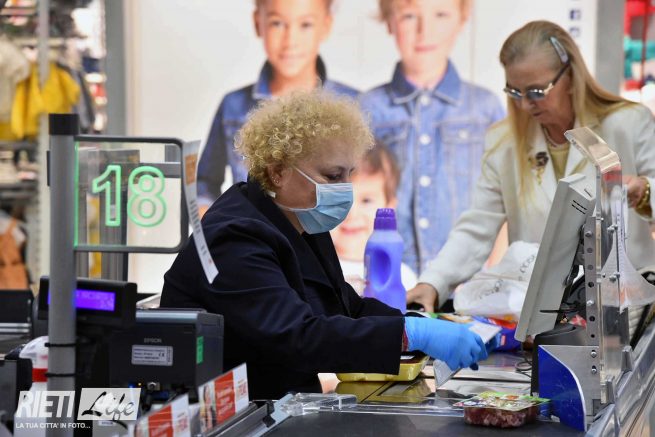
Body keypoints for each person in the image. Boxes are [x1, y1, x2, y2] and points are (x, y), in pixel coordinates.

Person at [160, 90, 487, 399]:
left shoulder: (300, 220)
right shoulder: (234, 237)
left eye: (348, 175)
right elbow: (296, 336)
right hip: (234, 414)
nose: (344, 189)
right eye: (332, 176)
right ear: (277, 172)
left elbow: (345, 308)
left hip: (281, 403)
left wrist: (422, 326)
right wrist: (411, 335)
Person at [407, 20, 655, 313]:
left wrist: (644, 191)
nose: (525, 105)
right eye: (514, 92)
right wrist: (433, 282)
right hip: (544, 316)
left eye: (537, 92)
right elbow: (477, 227)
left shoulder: (630, 123)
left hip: (630, 310)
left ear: (570, 76)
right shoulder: (503, 142)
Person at [360, 0, 505, 275]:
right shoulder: (366, 109)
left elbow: (505, 201)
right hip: (392, 278)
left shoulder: (485, 109)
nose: (425, 31)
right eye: (409, 16)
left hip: (466, 281)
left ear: (462, 18)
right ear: (389, 21)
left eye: (440, 14)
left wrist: (489, 276)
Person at [196, 0, 358, 216]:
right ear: (258, 23)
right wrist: (213, 221)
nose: (290, 40)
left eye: (305, 24)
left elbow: (377, 185)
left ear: (326, 25)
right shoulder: (233, 106)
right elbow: (204, 183)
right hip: (251, 234)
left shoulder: (355, 106)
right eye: (277, 23)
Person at [331, 143, 417, 294]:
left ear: (389, 208)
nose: (351, 214)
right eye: (339, 200)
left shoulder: (402, 278)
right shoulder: (310, 270)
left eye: (366, 201)